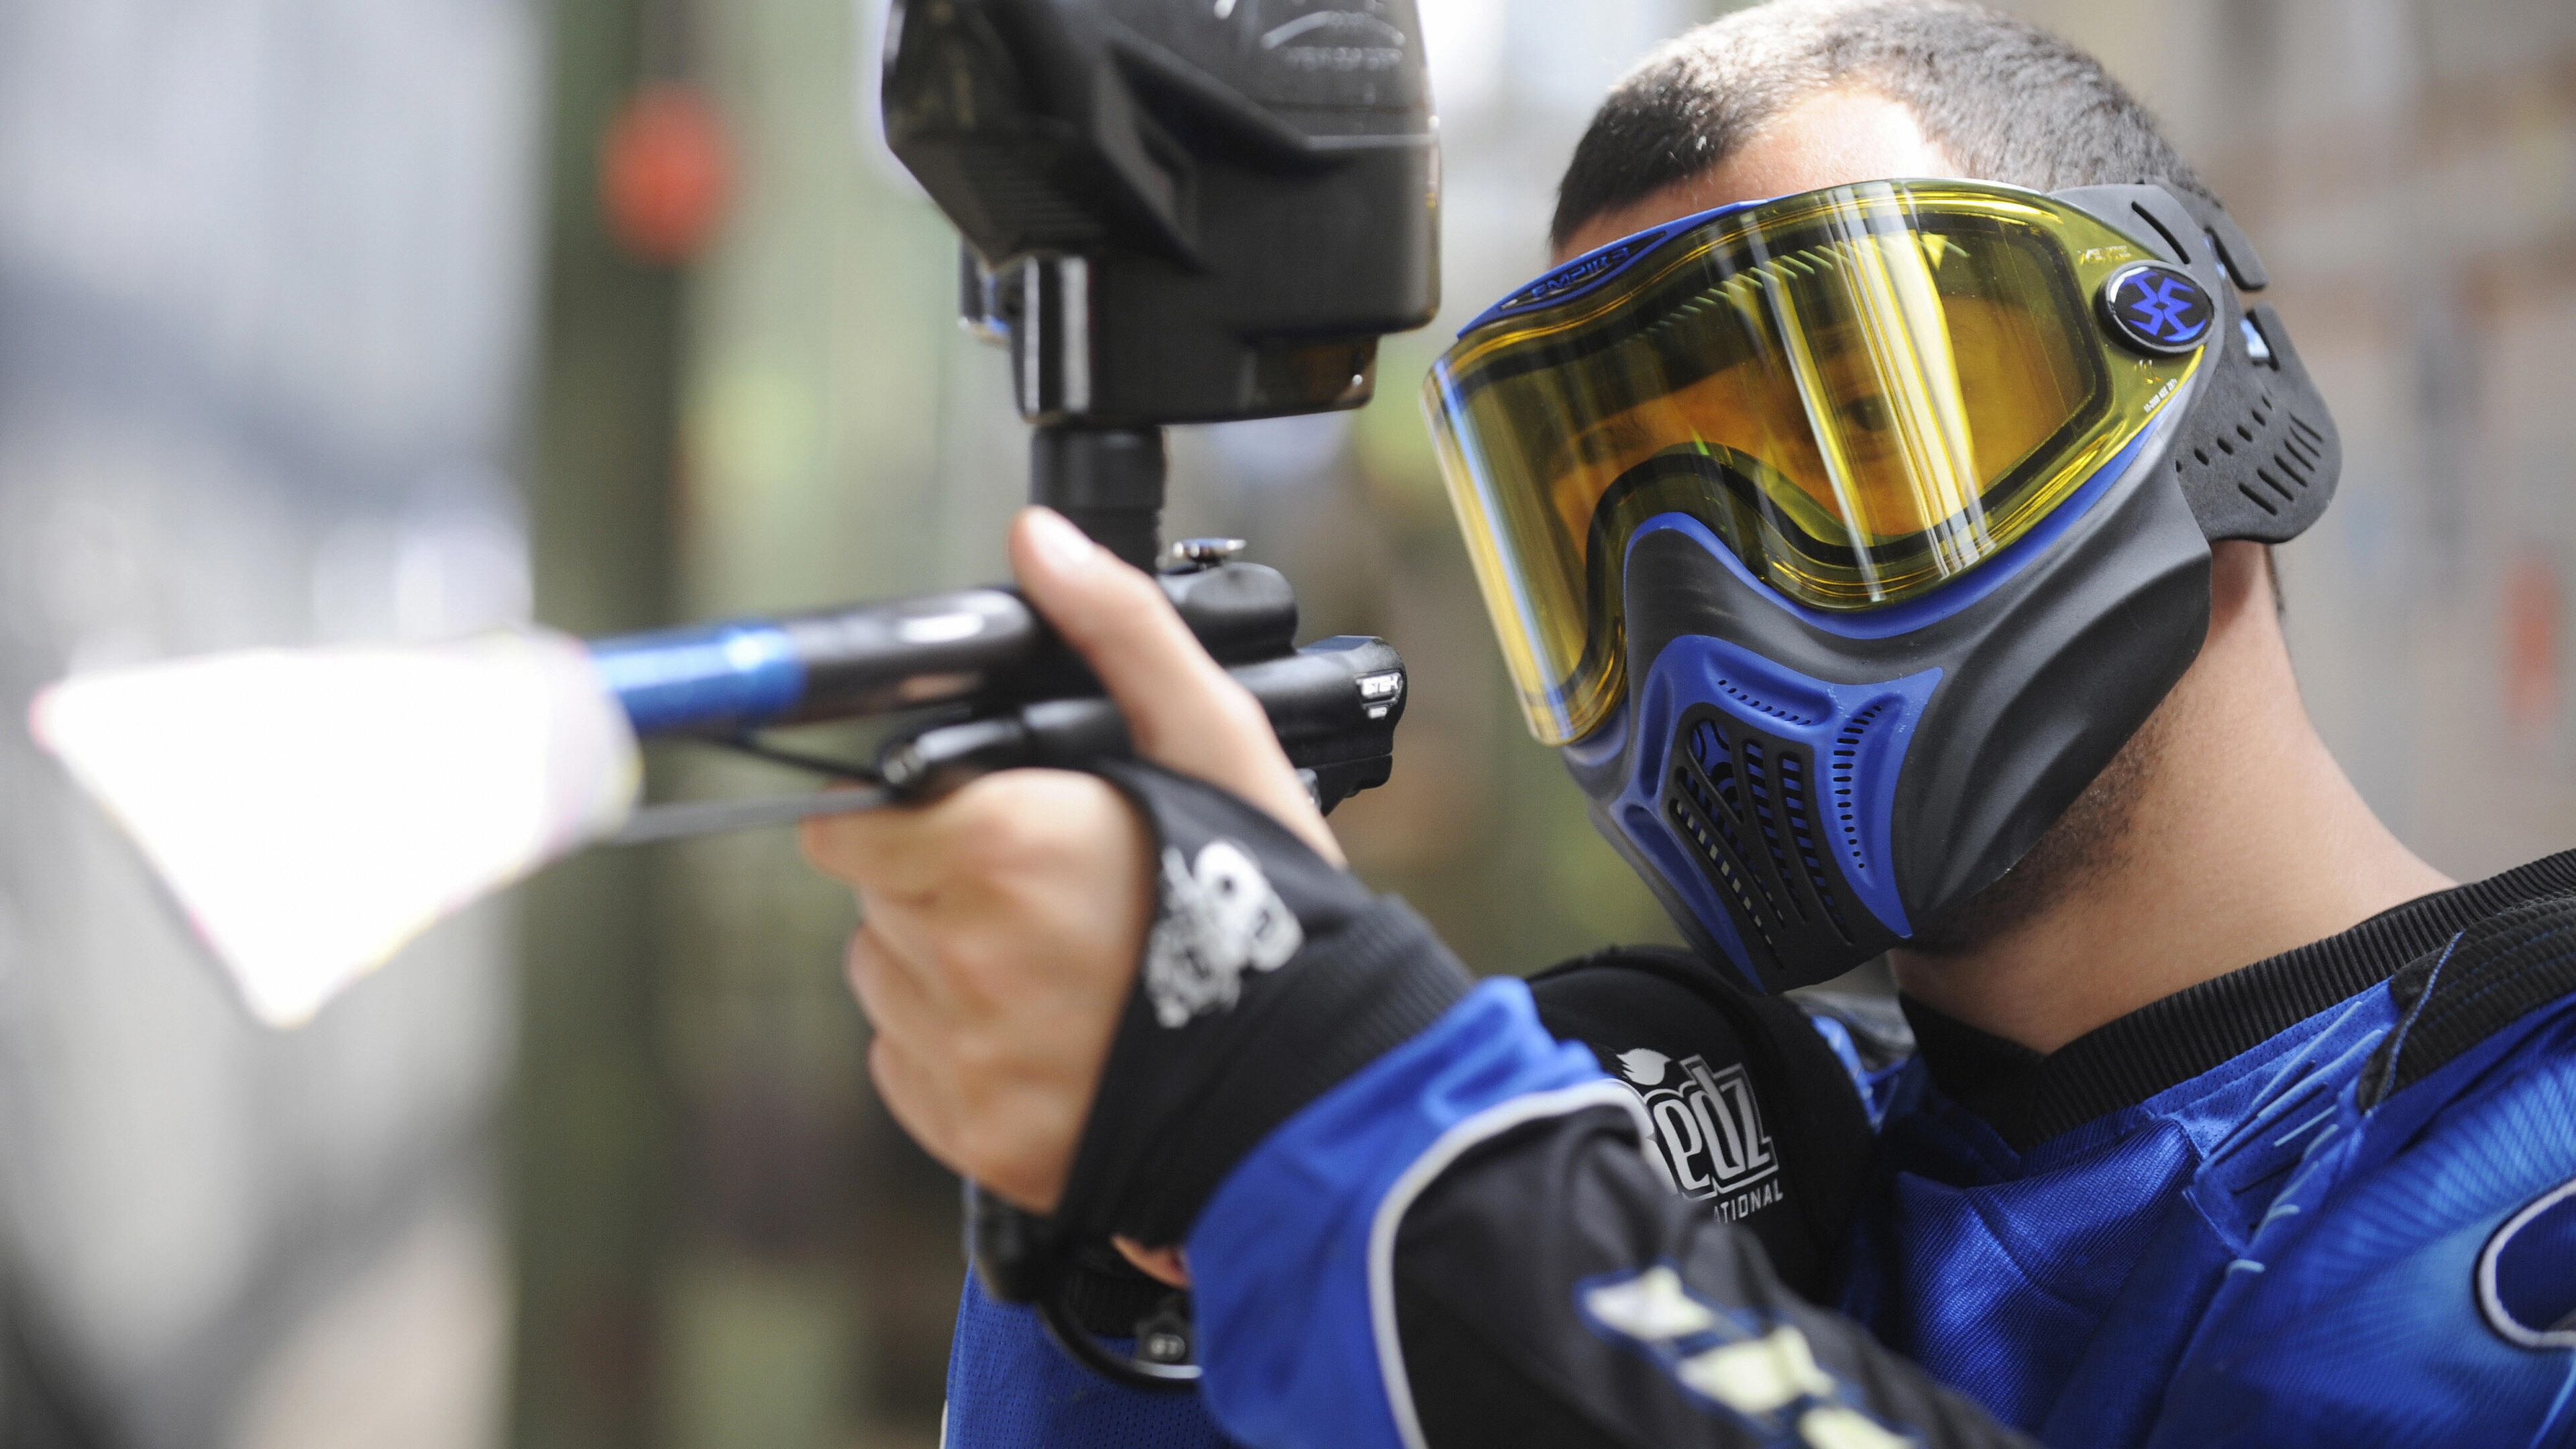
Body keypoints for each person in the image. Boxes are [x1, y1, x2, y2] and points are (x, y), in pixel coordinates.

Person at [801, 3, 2576, 1445]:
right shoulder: (1745, 1181)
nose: (1703, 608)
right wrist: (1148, 1245)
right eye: (1607, 517)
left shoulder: (2530, 1142)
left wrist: (1409, 1180)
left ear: (2200, 381)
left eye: (1854, 423)